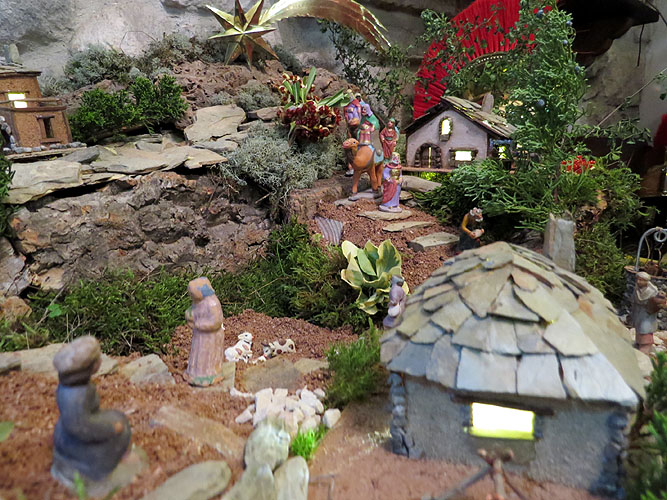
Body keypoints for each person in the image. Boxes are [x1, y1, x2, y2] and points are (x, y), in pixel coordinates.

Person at [52, 336, 131, 483]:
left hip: (78, 427)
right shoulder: (76, 395)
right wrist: (111, 428)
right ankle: (97, 474)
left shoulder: (77, 387)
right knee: (121, 431)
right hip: (74, 441)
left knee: (118, 417)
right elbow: (81, 426)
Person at [184, 277, 226, 386]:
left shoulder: (212, 304)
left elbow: (216, 322)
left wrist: (199, 324)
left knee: (207, 356)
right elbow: (194, 312)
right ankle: (195, 374)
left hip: (211, 337)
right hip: (200, 336)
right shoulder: (198, 302)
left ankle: (209, 375)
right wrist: (189, 315)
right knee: (198, 354)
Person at [631, 271, 666, 353]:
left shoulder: (652, 291)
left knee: (645, 328)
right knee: (638, 327)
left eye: (641, 280)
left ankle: (646, 345)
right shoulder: (637, 288)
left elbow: (657, 302)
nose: (638, 281)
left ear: (646, 281)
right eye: (637, 279)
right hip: (638, 311)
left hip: (647, 313)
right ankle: (639, 342)